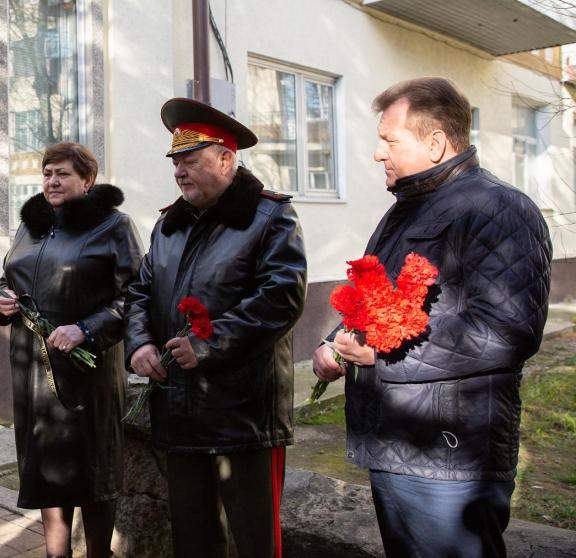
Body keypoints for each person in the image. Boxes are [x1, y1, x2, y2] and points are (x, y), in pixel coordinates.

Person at [312, 78, 552, 557]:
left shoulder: (499, 209)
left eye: (389, 140)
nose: (378, 154)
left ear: (436, 143)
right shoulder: (403, 211)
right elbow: (373, 297)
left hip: (450, 459)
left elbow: (506, 330)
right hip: (396, 444)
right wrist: (337, 341)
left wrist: (382, 350)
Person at [125, 98, 307, 558]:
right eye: (175, 163)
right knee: (193, 537)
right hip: (180, 413)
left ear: (226, 159)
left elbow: (280, 298)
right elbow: (141, 293)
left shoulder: (270, 217)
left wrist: (207, 342)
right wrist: (140, 344)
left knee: (254, 541)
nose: (179, 172)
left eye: (190, 160)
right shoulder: (168, 225)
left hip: (243, 414)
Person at [0, 142, 143, 558]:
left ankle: (98, 553)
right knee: (46, 467)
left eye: (62, 173)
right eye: (46, 173)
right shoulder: (31, 226)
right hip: (32, 369)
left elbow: (136, 295)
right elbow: (13, 278)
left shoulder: (114, 226)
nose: (52, 181)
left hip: (87, 370)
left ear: (88, 180)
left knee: (93, 468)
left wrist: (87, 328)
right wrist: (3, 301)